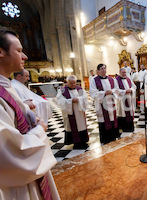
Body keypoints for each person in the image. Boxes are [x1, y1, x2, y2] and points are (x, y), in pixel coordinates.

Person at [0, 26, 60, 199]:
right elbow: (10, 152)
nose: (25, 56)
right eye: (19, 50)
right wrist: (40, 129)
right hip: (16, 183)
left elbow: (15, 108)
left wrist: (28, 113)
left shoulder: (6, 86)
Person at [56, 75, 89, 149]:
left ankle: (83, 142)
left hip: (79, 112)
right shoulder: (62, 90)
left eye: (74, 83)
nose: (73, 84)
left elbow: (85, 97)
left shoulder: (80, 89)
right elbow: (60, 101)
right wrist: (70, 101)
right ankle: (75, 143)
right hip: (70, 112)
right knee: (72, 127)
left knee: (81, 126)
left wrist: (79, 99)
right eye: (71, 83)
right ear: (67, 82)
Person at [90, 64, 119, 144]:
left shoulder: (111, 79)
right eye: (101, 69)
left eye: (104, 68)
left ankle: (113, 137)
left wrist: (111, 91)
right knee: (103, 120)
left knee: (112, 118)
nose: (103, 70)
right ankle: (105, 139)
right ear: (98, 71)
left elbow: (116, 89)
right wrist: (104, 93)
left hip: (111, 102)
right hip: (101, 103)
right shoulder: (94, 80)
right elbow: (93, 92)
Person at [115, 68, 136, 132]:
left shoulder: (128, 79)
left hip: (129, 99)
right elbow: (116, 89)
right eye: (123, 72)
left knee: (129, 113)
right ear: (119, 73)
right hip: (121, 100)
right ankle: (123, 127)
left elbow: (134, 86)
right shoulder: (116, 80)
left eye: (125, 72)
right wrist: (124, 92)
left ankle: (130, 127)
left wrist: (131, 90)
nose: (124, 74)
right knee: (123, 113)